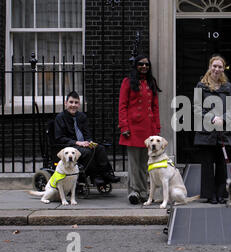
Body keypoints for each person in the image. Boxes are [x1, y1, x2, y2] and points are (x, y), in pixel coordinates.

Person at [193, 55, 231, 204]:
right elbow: (197, 109)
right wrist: (211, 118)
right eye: (214, 66)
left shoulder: (229, 87)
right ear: (210, 67)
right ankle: (210, 195)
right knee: (207, 163)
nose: (217, 69)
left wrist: (223, 119)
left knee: (221, 164)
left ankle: (221, 194)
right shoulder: (201, 86)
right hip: (206, 132)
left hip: (223, 131)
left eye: (220, 67)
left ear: (223, 69)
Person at [118, 55, 161, 204]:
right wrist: (124, 126)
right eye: (141, 64)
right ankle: (134, 192)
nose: (144, 67)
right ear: (135, 65)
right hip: (133, 128)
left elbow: (155, 107)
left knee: (144, 163)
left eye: (147, 65)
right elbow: (122, 105)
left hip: (148, 128)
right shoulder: (128, 82)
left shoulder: (151, 82)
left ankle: (144, 191)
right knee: (134, 164)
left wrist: (156, 128)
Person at [54, 91, 120, 185]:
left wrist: (89, 142)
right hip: (69, 146)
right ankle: (94, 176)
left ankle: (106, 173)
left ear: (79, 104)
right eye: (71, 102)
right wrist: (77, 142)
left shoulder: (82, 117)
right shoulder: (60, 118)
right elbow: (59, 138)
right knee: (87, 152)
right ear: (66, 103)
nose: (73, 105)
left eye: (76, 103)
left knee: (99, 148)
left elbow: (87, 134)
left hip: (83, 144)